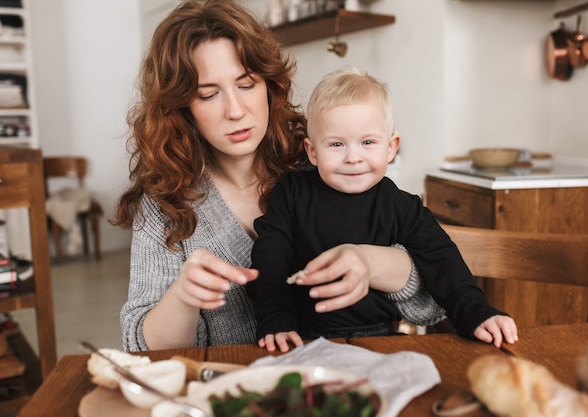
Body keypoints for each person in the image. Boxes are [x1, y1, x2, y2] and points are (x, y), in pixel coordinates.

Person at [114, 0, 446, 352]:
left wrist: (371, 262)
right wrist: (183, 297)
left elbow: (431, 305)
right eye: (209, 94)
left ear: (269, 85)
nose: (236, 110)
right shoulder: (165, 203)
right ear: (182, 108)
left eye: (246, 84)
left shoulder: (325, 162)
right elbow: (142, 348)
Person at [249, 67, 518, 352]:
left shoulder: (401, 205)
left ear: (391, 148)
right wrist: (275, 318)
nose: (353, 157)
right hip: (301, 338)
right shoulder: (291, 193)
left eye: (367, 142)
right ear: (312, 152)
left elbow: (442, 260)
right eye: (337, 144)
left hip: (379, 338)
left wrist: (476, 312)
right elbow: (270, 258)